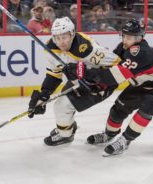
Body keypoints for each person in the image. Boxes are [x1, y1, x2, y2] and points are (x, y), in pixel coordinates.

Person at [64, 19, 153, 155]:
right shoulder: (122, 48)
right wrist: (92, 80)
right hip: (141, 84)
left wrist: (88, 75)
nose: (125, 40)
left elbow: (114, 75)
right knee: (119, 108)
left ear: (140, 38)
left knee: (150, 103)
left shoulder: (141, 52)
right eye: (124, 36)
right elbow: (108, 67)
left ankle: (125, 140)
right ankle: (109, 135)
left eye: (130, 37)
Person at [27, 17, 121, 146]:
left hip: (101, 84)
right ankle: (67, 127)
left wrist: (91, 77)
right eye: (57, 38)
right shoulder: (51, 48)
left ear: (72, 34)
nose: (61, 42)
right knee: (63, 106)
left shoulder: (86, 48)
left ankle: (65, 135)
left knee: (61, 106)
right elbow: (54, 74)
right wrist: (44, 93)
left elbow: (117, 64)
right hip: (79, 80)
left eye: (64, 37)